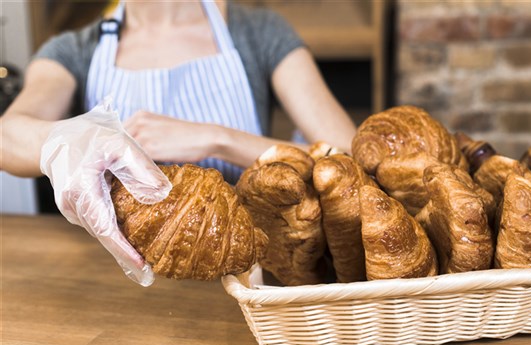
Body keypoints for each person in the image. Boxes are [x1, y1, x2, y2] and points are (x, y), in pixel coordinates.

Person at [1, 0, 357, 286]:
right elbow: (7, 136)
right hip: (117, 285)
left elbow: (347, 163)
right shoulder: (75, 50)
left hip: (250, 282)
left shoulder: (258, 32)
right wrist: (71, 140)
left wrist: (217, 139)